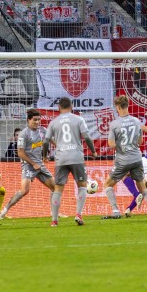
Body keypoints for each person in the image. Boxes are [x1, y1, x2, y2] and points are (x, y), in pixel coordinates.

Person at [100, 96, 147, 219]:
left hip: (123, 159)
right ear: (127, 105)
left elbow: (111, 144)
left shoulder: (114, 124)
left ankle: (116, 211)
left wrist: (123, 145)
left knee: (107, 184)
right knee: (142, 186)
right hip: (137, 158)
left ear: (117, 107)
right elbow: (140, 141)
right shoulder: (136, 121)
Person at [44, 97, 98, 226]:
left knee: (58, 189)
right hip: (76, 157)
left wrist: (44, 156)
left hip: (61, 158)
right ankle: (78, 214)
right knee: (82, 186)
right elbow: (87, 137)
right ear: (72, 106)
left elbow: (46, 141)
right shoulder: (78, 119)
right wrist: (93, 151)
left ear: (58, 108)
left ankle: (54, 220)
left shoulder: (54, 122)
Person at [0, 111, 56, 219]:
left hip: (39, 165)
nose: (37, 122)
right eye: (35, 119)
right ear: (28, 120)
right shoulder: (24, 134)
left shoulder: (42, 130)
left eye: (39, 119)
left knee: (55, 188)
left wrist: (60, 149)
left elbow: (51, 141)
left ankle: (54, 212)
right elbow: (20, 153)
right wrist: (33, 164)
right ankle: (4, 210)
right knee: (24, 190)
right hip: (28, 165)